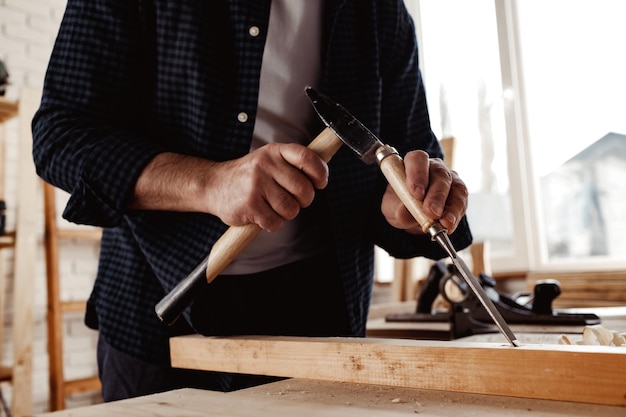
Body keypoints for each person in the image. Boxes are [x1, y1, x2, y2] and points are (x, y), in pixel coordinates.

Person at [32, 0, 472, 402]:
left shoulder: (379, 11)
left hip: (320, 314)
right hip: (158, 306)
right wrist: (209, 183)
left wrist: (411, 205)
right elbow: (60, 135)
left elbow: (406, 154)